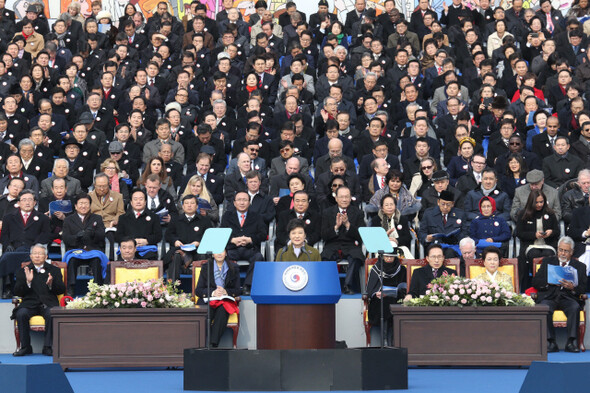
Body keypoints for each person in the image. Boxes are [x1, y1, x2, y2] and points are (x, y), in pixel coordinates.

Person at [533, 237, 587, 353]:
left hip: (568, 296)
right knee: (544, 308)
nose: (562, 253)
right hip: (550, 296)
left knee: (574, 307)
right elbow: (536, 282)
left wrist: (573, 287)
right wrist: (548, 282)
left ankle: (571, 342)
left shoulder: (580, 266)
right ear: (557, 249)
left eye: (566, 251)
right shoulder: (548, 262)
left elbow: (583, 287)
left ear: (571, 252)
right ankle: (551, 342)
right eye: (560, 250)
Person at [12, 244, 65, 356]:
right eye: (35, 253)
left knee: (51, 313)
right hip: (29, 304)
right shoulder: (24, 271)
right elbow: (17, 292)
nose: (37, 256)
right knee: (21, 313)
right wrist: (28, 282)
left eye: (40, 254)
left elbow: (61, 290)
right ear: (31, 256)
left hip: (48, 303)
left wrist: (51, 284)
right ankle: (25, 347)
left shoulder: (54, 270)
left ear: (46, 257)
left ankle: (47, 347)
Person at [220, 191, 267, 295]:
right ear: (234, 202)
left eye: (245, 200)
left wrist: (250, 239)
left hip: (249, 249)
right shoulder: (227, 216)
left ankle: (248, 286)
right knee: (221, 257)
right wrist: (232, 240)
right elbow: (221, 233)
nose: (242, 203)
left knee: (258, 257)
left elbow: (263, 234)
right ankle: (230, 288)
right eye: (239, 200)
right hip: (232, 249)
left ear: (249, 202)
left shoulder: (256, 216)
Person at [321, 186, 365, 294]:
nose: (344, 200)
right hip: (333, 244)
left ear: (350, 198)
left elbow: (361, 235)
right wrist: (336, 227)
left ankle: (348, 286)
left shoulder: (358, 213)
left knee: (356, 257)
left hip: (350, 244)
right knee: (325, 257)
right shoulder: (327, 212)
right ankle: (330, 287)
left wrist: (348, 225)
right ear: (336, 198)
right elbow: (323, 235)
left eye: (347, 197)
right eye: (341, 197)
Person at [195, 249, 241, 347]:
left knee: (222, 311)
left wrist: (226, 292)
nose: (219, 254)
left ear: (226, 253)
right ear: (212, 254)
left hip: (225, 300)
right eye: (217, 251)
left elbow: (238, 290)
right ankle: (201, 344)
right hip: (209, 300)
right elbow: (198, 290)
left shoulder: (233, 268)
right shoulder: (206, 267)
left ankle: (213, 344)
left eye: (222, 251)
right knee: (207, 312)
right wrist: (212, 293)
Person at [61, 194, 106, 296]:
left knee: (96, 260)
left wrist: (93, 233)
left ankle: (98, 289)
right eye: (81, 203)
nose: (83, 206)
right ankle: (70, 289)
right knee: (71, 261)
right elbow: (66, 238)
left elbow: (102, 235)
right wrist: (77, 236)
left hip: (92, 250)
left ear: (90, 205)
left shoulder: (97, 218)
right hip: (76, 250)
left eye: (86, 203)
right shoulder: (68, 220)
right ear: (76, 206)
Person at [516, 189, 560, 291]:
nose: (539, 205)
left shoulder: (550, 213)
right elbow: (519, 233)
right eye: (537, 202)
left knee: (548, 255)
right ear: (531, 202)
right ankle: (537, 283)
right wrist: (534, 235)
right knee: (534, 254)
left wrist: (551, 232)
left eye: (541, 202)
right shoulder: (523, 214)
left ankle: (549, 284)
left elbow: (557, 232)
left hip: (547, 245)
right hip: (531, 245)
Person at [164, 195, 213, 281]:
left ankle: (202, 285)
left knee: (203, 256)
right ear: (183, 206)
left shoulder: (205, 220)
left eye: (192, 203)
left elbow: (210, 236)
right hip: (182, 250)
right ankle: (172, 287)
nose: (189, 205)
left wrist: (199, 242)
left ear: (197, 206)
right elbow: (168, 235)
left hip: (198, 250)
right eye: (186, 203)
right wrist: (175, 241)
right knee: (176, 255)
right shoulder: (176, 220)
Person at [366, 252, 407, 345]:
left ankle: (393, 340)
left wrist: (396, 291)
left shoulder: (401, 269)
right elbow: (370, 290)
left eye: (391, 257)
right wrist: (376, 293)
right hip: (380, 299)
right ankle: (382, 340)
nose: (389, 258)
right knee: (382, 305)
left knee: (393, 305)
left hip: (397, 297)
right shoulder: (376, 269)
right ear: (382, 256)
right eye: (386, 256)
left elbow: (405, 288)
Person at [418, 190, 467, 258]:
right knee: (437, 253)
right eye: (443, 204)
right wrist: (426, 238)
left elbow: (465, 232)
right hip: (435, 245)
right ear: (438, 202)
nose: (445, 207)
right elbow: (421, 232)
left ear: (452, 204)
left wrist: (457, 239)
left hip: (453, 246)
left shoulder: (460, 214)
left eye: (448, 204)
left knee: (450, 252)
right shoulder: (429, 214)